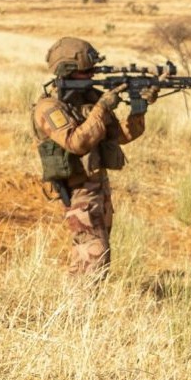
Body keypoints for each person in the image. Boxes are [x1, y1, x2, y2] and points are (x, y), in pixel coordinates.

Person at [30, 37, 158, 279]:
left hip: (98, 187)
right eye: (86, 71)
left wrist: (139, 108)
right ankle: (76, 310)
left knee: (96, 252)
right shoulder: (49, 107)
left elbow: (120, 135)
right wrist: (102, 107)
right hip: (78, 189)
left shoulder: (88, 100)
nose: (92, 75)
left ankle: (78, 309)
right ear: (67, 71)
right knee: (93, 252)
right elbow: (76, 142)